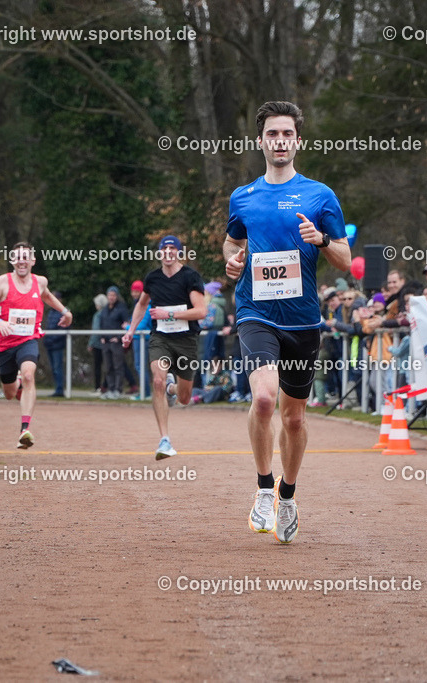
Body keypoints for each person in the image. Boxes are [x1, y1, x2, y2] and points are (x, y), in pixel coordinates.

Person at [224, 101, 350, 543]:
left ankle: (288, 494)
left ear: (297, 141)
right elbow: (231, 241)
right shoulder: (243, 196)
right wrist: (233, 263)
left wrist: (322, 240)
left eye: (286, 134)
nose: (280, 141)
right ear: (261, 141)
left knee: (294, 419)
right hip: (256, 312)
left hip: (302, 321)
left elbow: (346, 259)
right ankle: (263, 488)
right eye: (272, 134)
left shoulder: (320, 195)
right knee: (263, 399)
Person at [0, 242, 72, 448]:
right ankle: (18, 386)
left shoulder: (40, 282)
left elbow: (46, 296)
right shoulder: (2, 282)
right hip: (4, 344)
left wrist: (65, 312)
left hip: (28, 340)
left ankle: (25, 430)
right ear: (12, 260)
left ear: (32, 261)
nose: (21, 260)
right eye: (17, 257)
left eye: (25, 257)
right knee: (9, 394)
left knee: (29, 374)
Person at [122, 235, 206, 459]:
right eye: (164, 248)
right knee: (157, 379)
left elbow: (201, 311)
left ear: (179, 252)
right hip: (161, 337)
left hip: (186, 340)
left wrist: (168, 313)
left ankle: (172, 389)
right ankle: (164, 440)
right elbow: (141, 305)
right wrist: (130, 331)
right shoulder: (153, 278)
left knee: (185, 398)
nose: (168, 252)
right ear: (159, 252)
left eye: (172, 248)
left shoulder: (190, 276)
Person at [98, 286, 130, 399]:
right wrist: (101, 336)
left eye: (113, 295)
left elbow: (126, 324)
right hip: (105, 342)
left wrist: (119, 337)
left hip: (116, 342)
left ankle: (118, 389)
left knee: (118, 366)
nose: (111, 297)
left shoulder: (121, 308)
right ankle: (110, 389)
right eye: (110, 295)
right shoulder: (105, 309)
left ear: (117, 296)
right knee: (108, 367)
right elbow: (101, 323)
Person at [43, 290, 68, 397]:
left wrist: (51, 339)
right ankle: (57, 389)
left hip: (57, 345)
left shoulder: (63, 312)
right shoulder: (51, 313)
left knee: (58, 368)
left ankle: (60, 389)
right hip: (50, 344)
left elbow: (64, 329)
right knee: (54, 368)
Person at [88, 293, 107, 394]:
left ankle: (98, 387)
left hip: (98, 344)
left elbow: (95, 330)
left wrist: (91, 343)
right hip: (105, 343)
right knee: (107, 366)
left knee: (98, 367)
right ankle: (104, 386)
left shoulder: (98, 315)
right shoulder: (107, 313)